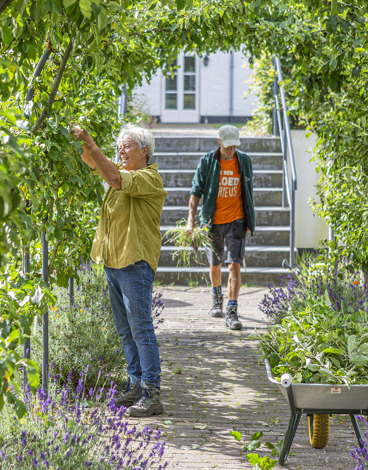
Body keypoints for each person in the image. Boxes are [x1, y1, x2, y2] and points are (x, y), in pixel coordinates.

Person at [71, 123, 167, 417]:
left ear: (144, 151)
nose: (121, 151)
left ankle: (152, 392)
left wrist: (90, 139)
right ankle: (135, 384)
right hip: (114, 262)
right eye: (119, 147)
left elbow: (112, 176)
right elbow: (93, 162)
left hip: (134, 262)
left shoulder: (148, 178)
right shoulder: (123, 174)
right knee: (126, 331)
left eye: (126, 147)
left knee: (141, 329)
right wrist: (76, 141)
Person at [187, 125, 255, 330]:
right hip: (212, 221)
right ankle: (217, 297)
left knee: (234, 264)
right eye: (228, 146)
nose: (231, 149)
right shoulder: (207, 162)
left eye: (235, 146)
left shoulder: (244, 161)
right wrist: (191, 221)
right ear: (219, 142)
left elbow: (248, 191)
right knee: (215, 264)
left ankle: (232, 311)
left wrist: (249, 220)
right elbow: (195, 191)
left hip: (237, 221)